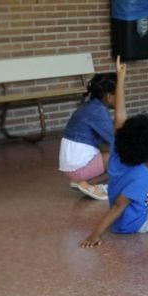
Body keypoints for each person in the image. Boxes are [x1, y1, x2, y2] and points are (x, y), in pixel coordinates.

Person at [79, 114, 148, 248]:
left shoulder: (116, 151)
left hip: (136, 209)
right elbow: (118, 206)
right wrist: (95, 235)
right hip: (138, 222)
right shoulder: (142, 175)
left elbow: (119, 120)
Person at [59, 55, 126, 200]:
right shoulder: (97, 111)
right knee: (125, 156)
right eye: (119, 94)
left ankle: (84, 183)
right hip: (78, 168)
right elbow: (120, 135)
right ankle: (88, 184)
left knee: (116, 150)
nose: (122, 97)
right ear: (109, 96)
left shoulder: (92, 107)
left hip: (74, 166)